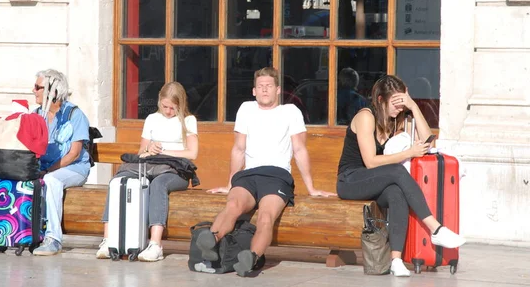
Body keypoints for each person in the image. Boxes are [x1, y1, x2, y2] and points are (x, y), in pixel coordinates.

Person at [198, 67, 333, 277]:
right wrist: (230, 183)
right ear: (254, 91)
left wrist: (311, 188)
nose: (264, 90)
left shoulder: (290, 112)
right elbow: (238, 148)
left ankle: (250, 257)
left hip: (277, 176)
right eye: (260, 86)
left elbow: (299, 149)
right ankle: (212, 240)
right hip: (249, 174)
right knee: (233, 205)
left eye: (269, 86)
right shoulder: (246, 109)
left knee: (265, 216)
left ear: (278, 90)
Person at [336, 75, 465, 277]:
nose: (399, 109)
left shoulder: (395, 120)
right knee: (397, 171)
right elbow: (370, 161)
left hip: (373, 179)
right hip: (351, 179)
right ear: (380, 100)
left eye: (402, 103)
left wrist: (413, 107)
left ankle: (396, 260)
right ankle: (436, 229)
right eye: (395, 104)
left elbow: (429, 144)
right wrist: (408, 153)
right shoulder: (365, 117)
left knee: (396, 192)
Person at [96, 81, 198, 261]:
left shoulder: (188, 121)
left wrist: (165, 151)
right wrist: (149, 148)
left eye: (173, 108)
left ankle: (155, 244)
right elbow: (140, 152)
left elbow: (192, 153)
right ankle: (108, 239)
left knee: (158, 185)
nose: (168, 111)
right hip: (150, 165)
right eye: (165, 106)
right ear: (160, 101)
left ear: (180, 105)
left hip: (175, 171)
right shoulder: (152, 118)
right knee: (117, 181)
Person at [31, 69, 91, 255]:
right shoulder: (36, 115)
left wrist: (48, 170)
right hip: (45, 169)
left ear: (53, 91)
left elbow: (74, 153)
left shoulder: (74, 115)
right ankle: (18, 234)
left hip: (74, 169)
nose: (33, 91)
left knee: (52, 180)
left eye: (38, 87)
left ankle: (54, 238)